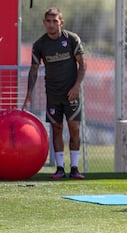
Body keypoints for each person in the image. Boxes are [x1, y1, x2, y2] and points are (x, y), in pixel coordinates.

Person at [22, 7, 87, 179]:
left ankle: (74, 168)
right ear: (44, 23)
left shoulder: (72, 39)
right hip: (52, 94)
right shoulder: (39, 45)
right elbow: (34, 69)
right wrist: (29, 92)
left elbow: (83, 64)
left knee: (74, 128)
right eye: (48, 21)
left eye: (55, 21)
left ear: (61, 22)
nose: (51, 25)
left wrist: (76, 86)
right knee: (56, 128)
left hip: (71, 93)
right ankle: (60, 168)